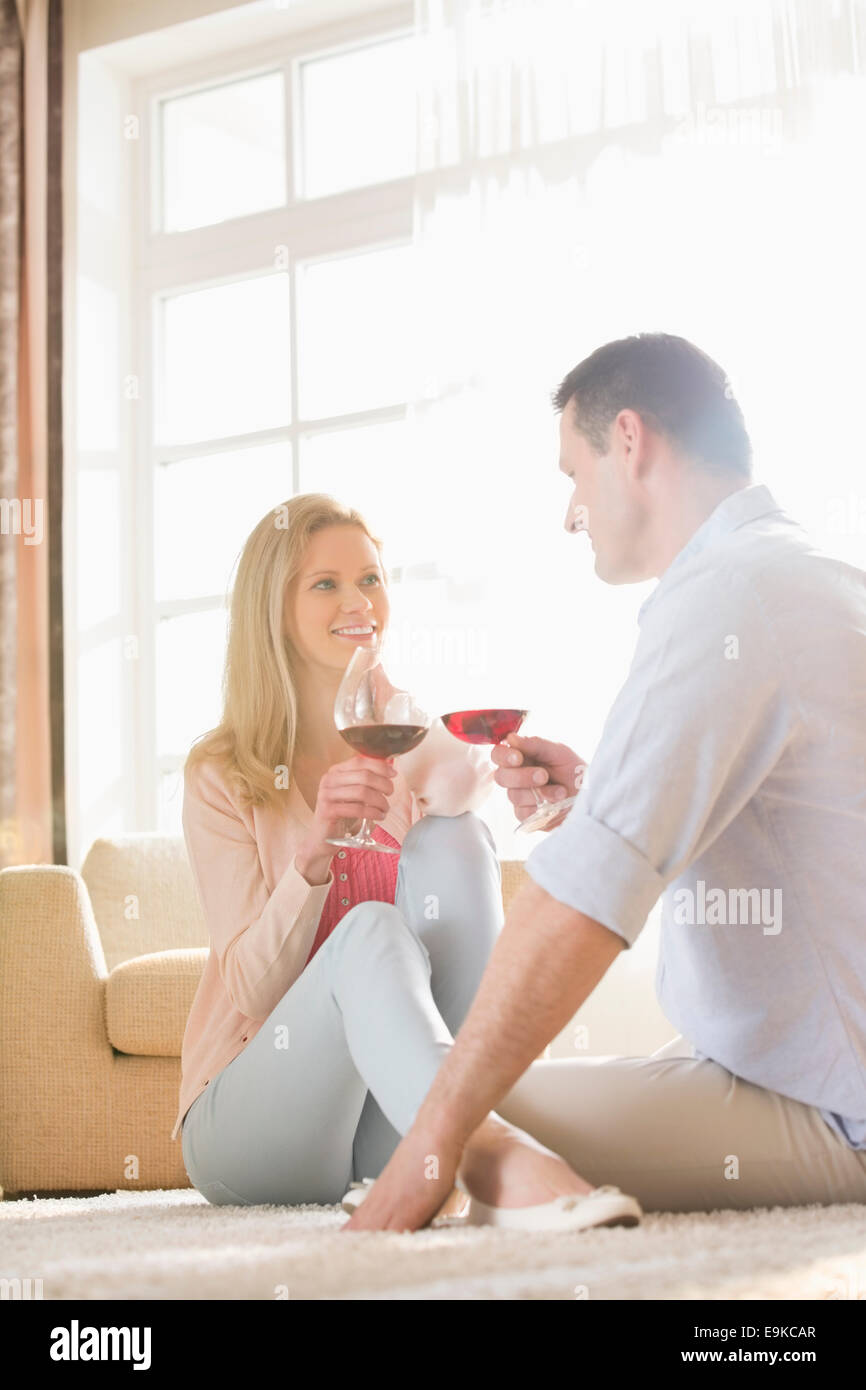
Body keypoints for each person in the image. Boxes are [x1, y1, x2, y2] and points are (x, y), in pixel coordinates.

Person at [342, 331, 866, 1232]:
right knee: (455, 1099)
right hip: (802, 1066)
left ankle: (491, 1177)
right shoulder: (808, 577)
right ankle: (507, 1169)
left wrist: (434, 1148)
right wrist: (601, 794)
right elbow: (804, 834)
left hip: (829, 1102)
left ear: (629, 440)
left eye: (572, 474)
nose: (570, 510)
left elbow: (576, 905)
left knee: (422, 1113)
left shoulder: (727, 600)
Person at [175, 492, 642, 1230]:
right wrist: (315, 854)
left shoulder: (395, 730)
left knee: (457, 838)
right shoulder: (221, 772)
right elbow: (252, 991)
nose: (359, 599)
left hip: (380, 1135)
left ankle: (456, 1126)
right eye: (325, 583)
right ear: (273, 608)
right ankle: (493, 1155)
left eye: (371, 578)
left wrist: (529, 783)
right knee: (370, 929)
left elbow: (462, 782)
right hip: (251, 1131)